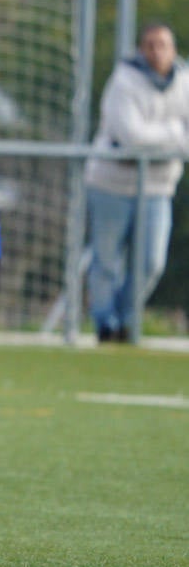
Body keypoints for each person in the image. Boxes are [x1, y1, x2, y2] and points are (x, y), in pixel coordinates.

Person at [84, 22, 189, 343]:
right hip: (111, 185)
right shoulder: (123, 81)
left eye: (163, 44)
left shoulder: (184, 82)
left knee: (151, 261)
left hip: (157, 187)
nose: (157, 51)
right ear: (141, 49)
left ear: (173, 49)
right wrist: (173, 134)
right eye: (150, 44)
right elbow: (131, 137)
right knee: (106, 260)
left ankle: (125, 317)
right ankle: (106, 324)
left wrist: (159, 140)